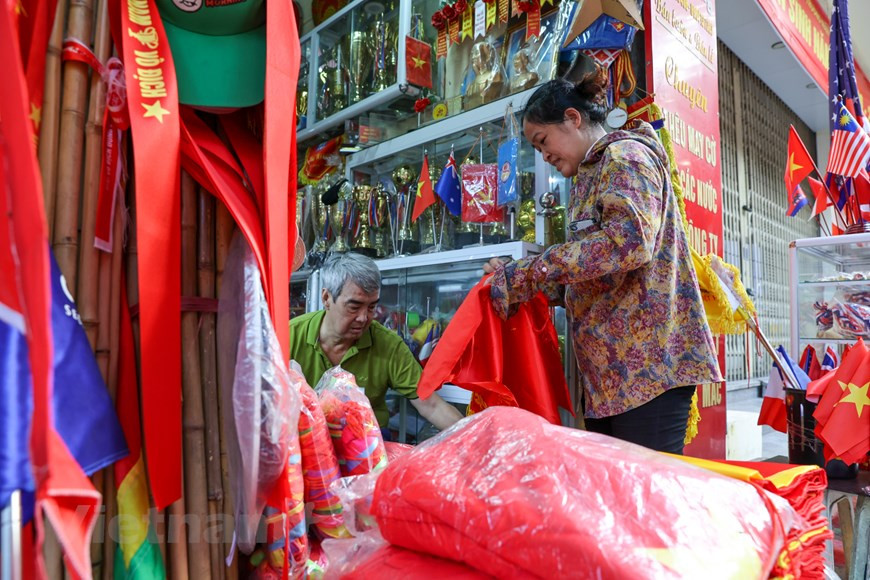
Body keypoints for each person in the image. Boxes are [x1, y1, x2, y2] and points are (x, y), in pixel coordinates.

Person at [484, 73, 722, 454]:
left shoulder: (625, 156)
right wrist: (516, 281)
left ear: (573, 118)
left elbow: (627, 244)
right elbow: (591, 274)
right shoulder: (587, 177)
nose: (544, 156)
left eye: (543, 141)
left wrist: (534, 269)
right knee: (614, 486)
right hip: (610, 380)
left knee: (644, 487)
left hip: (649, 371)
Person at [291, 252, 464, 438]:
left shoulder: (388, 344)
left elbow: (432, 405)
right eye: (354, 307)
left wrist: (476, 436)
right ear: (326, 298)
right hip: (306, 438)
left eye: (371, 307)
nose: (363, 318)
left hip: (368, 442)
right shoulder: (289, 336)